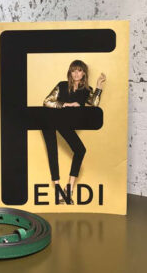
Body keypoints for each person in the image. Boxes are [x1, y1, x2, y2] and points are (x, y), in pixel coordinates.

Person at [42, 59, 106, 204]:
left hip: (65, 123)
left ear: (84, 73)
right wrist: (67, 104)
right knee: (52, 150)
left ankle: (69, 188)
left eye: (79, 70)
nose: (76, 74)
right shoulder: (62, 85)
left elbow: (94, 104)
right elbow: (47, 101)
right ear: (70, 73)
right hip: (50, 120)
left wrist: (98, 86)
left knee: (80, 150)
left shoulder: (86, 90)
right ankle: (58, 189)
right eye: (73, 70)